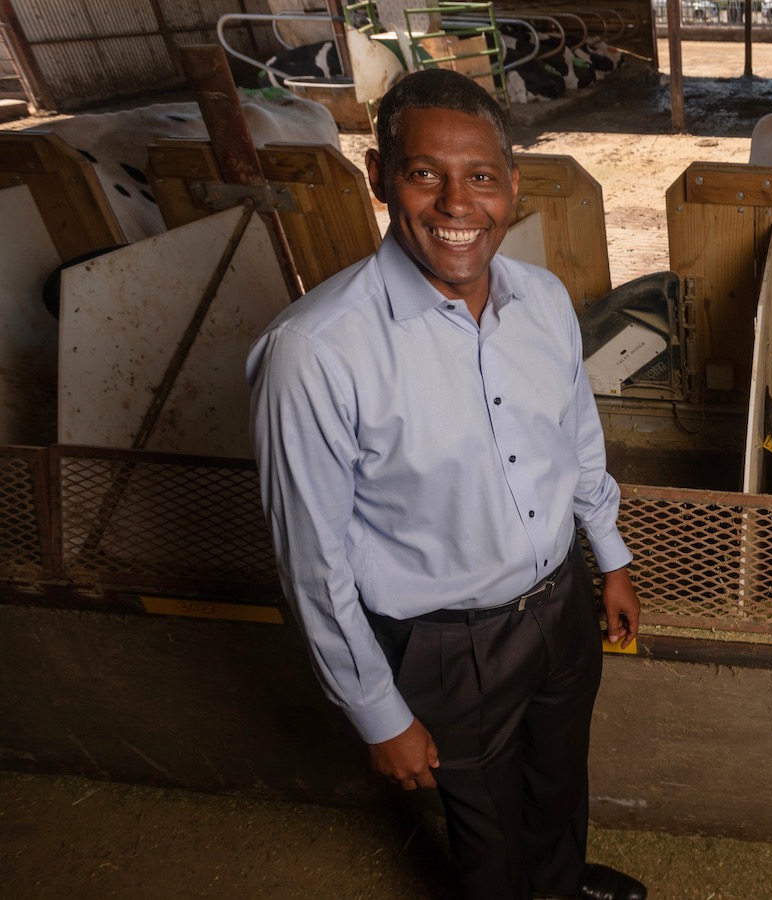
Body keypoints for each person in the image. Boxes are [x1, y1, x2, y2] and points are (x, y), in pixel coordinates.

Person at [248, 68, 646, 900]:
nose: (457, 205)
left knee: (559, 779)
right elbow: (311, 560)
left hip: (560, 602)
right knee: (487, 827)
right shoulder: (315, 352)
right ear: (380, 176)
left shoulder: (542, 299)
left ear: (511, 185)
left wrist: (607, 557)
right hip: (447, 642)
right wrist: (377, 710)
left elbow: (575, 436)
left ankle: (560, 885)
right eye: (426, 173)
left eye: (482, 178)